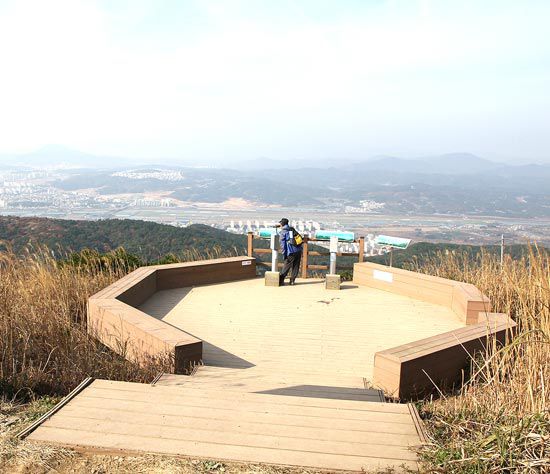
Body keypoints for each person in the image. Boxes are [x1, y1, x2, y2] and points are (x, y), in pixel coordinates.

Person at [278, 218, 302, 285]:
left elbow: (282, 244)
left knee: (286, 266)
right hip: (298, 250)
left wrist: (284, 253)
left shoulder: (283, 232)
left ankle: (281, 280)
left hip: (290, 252)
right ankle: (292, 281)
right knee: (296, 266)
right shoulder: (292, 229)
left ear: (282, 224)